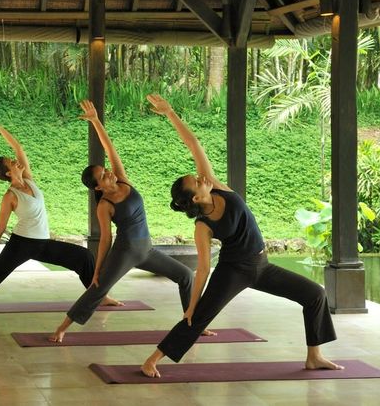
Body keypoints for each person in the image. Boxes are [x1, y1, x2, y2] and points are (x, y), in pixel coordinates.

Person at [140, 94, 341, 378]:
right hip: (233, 271)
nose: (201, 178)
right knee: (198, 317)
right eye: (196, 181)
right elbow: (203, 269)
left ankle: (314, 356)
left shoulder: (216, 186)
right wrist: (192, 305)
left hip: (262, 265)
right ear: (196, 197)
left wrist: (170, 112)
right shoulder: (202, 226)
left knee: (315, 294)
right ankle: (152, 360)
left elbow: (194, 144)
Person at [50, 100, 199, 343]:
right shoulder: (104, 206)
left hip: (147, 250)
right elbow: (105, 240)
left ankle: (192, 323)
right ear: (98, 187)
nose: (108, 172)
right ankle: (62, 328)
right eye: (103, 175)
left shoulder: (122, 180)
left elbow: (110, 149)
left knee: (185, 275)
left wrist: (96, 121)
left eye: (105, 169)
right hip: (125, 253)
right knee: (98, 289)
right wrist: (98, 270)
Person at [0, 124, 121, 311]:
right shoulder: (10, 196)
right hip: (22, 243)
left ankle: (100, 297)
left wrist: (0, 129)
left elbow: (18, 148)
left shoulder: (28, 179)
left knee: (83, 256)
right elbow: (0, 226)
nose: (16, 161)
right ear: (8, 173)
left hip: (42, 243)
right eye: (12, 163)